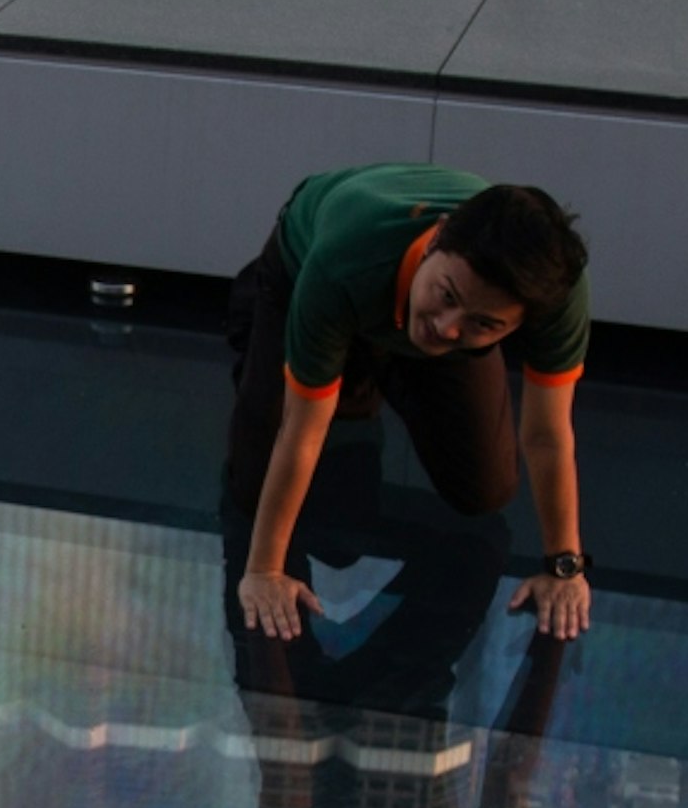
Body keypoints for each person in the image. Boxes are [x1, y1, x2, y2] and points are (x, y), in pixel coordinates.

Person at [226, 163, 596, 644]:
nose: (447, 326)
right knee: (254, 493)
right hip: (311, 275)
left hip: (397, 304)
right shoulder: (346, 259)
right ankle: (292, 341)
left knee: (486, 489)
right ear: (438, 238)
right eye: (448, 294)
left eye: (485, 322)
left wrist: (564, 569)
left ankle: (376, 366)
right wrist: (265, 571)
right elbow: (301, 431)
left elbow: (548, 435)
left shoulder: (557, 295)